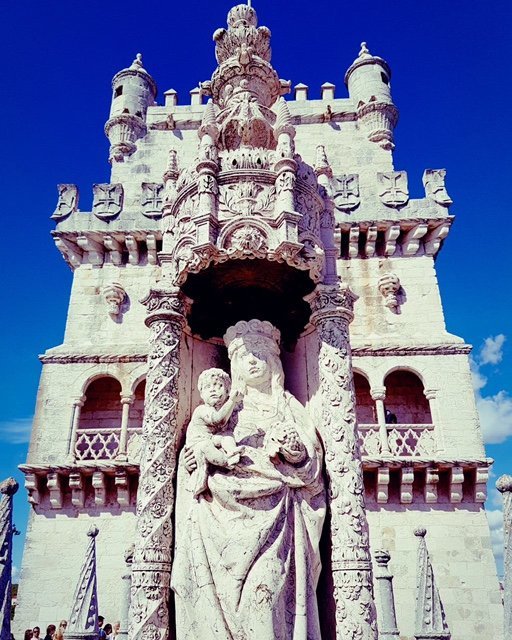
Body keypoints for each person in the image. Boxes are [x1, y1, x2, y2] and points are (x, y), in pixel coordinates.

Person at [172, 319, 326, 640]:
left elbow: (311, 465)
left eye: (259, 353)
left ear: (274, 361)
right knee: (219, 607)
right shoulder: (223, 407)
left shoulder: (287, 406)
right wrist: (194, 456)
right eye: (245, 355)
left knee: (264, 599)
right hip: (218, 518)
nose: (252, 360)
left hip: (277, 517)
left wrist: (292, 450)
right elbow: (199, 441)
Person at [185, 367, 243, 497]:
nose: (213, 389)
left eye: (219, 386)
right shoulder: (202, 410)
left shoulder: (230, 411)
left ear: (227, 391)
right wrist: (232, 401)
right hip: (198, 444)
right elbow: (219, 420)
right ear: (201, 393)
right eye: (208, 387)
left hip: (212, 439)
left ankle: (232, 452)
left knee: (226, 436)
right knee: (207, 446)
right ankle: (226, 461)